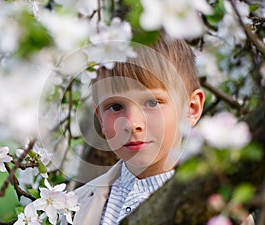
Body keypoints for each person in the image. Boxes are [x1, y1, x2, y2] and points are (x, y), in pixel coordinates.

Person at [72, 33, 205, 225]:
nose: (132, 124)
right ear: (100, 117)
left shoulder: (218, 206)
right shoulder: (76, 204)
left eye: (152, 102)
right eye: (116, 107)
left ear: (191, 108)